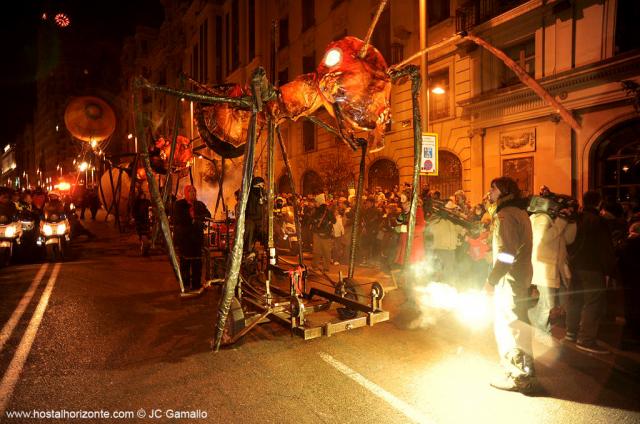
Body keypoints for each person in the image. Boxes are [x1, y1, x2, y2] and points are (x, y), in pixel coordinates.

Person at [483, 176, 534, 393]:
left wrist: (491, 281)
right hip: (519, 277)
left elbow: (506, 254)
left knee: (510, 325)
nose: (490, 193)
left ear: (503, 191)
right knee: (519, 323)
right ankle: (523, 370)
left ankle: (518, 377)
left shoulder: (505, 215)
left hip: (509, 280)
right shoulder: (520, 212)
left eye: (493, 189)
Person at [565, 191, 618, 354]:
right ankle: (586, 339)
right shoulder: (598, 221)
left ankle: (571, 332)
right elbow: (605, 248)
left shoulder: (576, 219)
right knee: (593, 302)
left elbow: (568, 241)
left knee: (575, 298)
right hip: (592, 267)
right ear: (599, 202)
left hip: (575, 265)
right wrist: (610, 270)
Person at [527, 197, 577, 336]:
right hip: (543, 267)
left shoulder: (553, 220)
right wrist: (561, 222)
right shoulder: (540, 218)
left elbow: (568, 239)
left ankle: (542, 326)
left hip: (555, 267)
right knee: (548, 303)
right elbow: (544, 239)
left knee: (551, 302)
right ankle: (539, 326)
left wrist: (570, 221)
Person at [173, 185, 211, 291]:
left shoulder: (199, 204)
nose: (193, 193)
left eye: (194, 191)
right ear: (186, 193)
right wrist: (191, 220)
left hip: (197, 238)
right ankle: (185, 284)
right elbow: (178, 218)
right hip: (184, 238)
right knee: (185, 262)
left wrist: (196, 219)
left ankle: (196, 284)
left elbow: (208, 214)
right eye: (190, 191)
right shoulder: (179, 205)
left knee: (197, 262)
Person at [310, 193, 335, 272]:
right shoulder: (329, 210)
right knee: (326, 251)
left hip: (317, 233)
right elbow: (334, 221)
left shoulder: (316, 211)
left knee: (316, 251)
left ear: (320, 202)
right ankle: (326, 267)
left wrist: (315, 221)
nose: (315, 203)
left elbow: (311, 220)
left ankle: (315, 266)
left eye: (316, 202)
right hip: (326, 234)